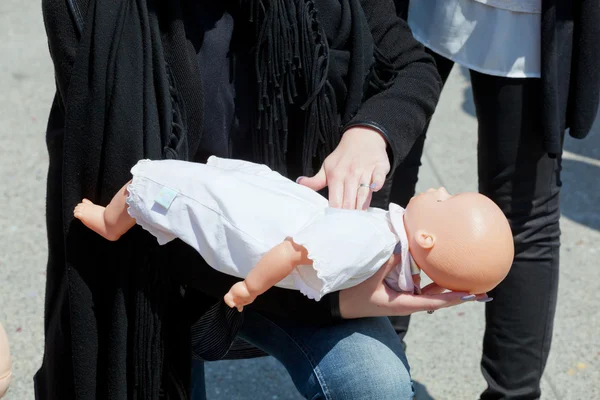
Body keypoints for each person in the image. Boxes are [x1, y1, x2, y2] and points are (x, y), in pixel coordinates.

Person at [37, 0, 487, 399]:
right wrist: (336, 294)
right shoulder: (99, 13)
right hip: (150, 257)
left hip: (287, 269)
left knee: (376, 384)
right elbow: (123, 175)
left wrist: (373, 132)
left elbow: (412, 66)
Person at [390, 1, 600, 399]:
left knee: (521, 217)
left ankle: (376, 376)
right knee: (387, 184)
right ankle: (375, 373)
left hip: (524, 17)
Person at [72, 156, 512, 308]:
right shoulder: (386, 248)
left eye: (446, 200)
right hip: (272, 216)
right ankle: (117, 218)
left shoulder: (374, 240)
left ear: (428, 240)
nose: (438, 188)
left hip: (254, 230)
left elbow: (295, 249)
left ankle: (110, 223)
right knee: (192, 186)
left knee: (165, 185)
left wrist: (249, 287)